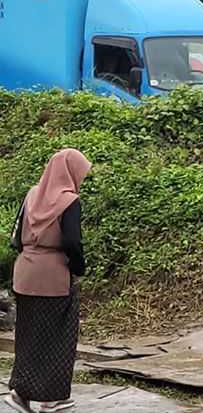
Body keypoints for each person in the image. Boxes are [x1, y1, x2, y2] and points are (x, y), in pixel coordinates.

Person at [6, 149, 92, 413]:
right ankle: (52, 399)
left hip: (25, 274)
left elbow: (17, 237)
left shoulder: (32, 194)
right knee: (59, 336)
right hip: (53, 277)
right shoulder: (69, 201)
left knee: (28, 335)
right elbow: (71, 242)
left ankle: (19, 393)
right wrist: (78, 268)